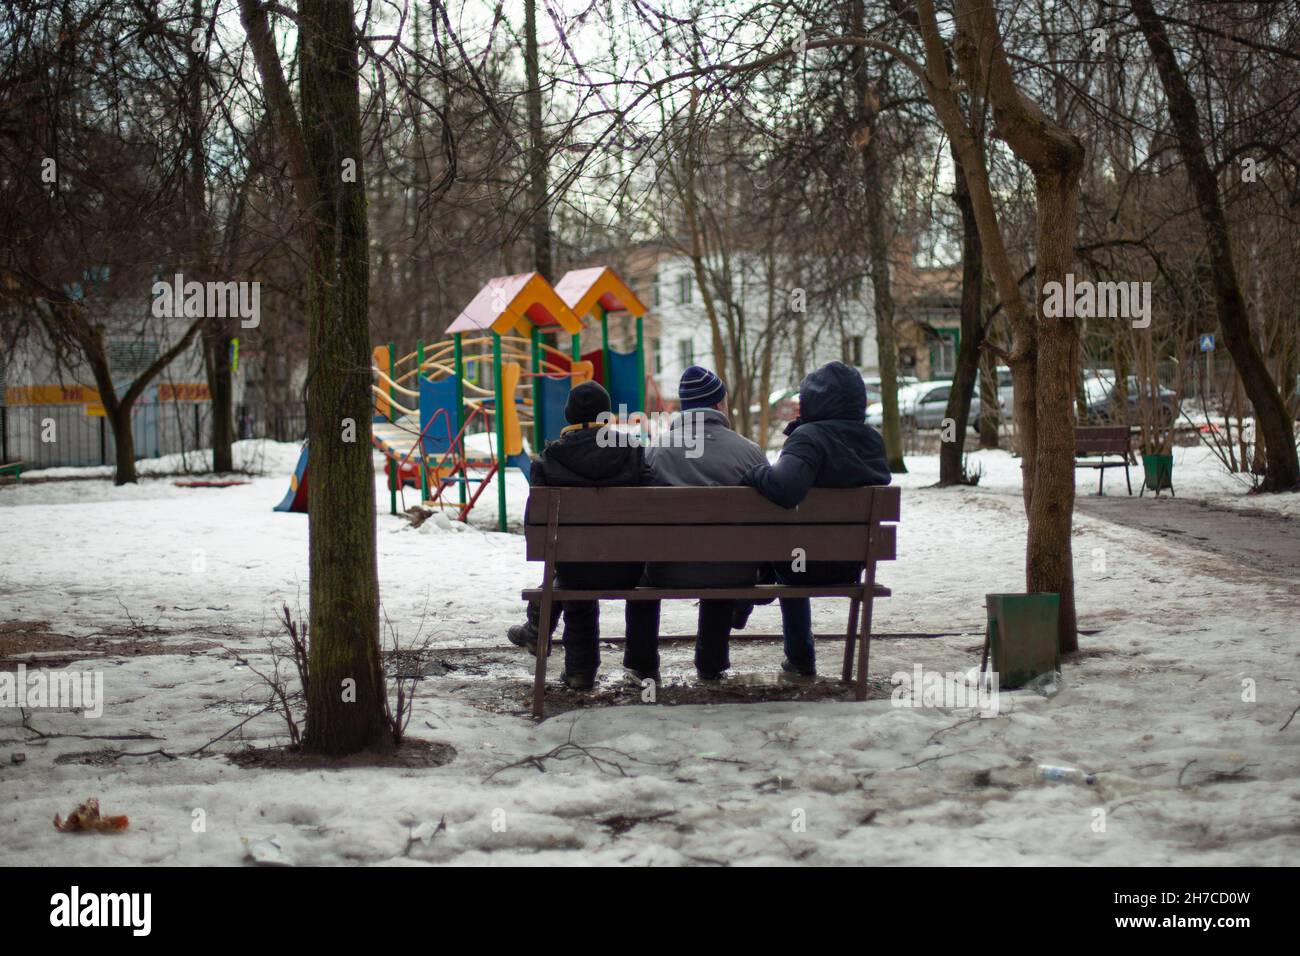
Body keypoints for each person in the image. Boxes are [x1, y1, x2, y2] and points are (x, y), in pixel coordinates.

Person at [740, 361, 891, 680]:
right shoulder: (871, 440)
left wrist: (756, 474)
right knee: (789, 551)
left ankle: (796, 654)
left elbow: (785, 488)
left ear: (812, 400)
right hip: (852, 561)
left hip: (804, 565)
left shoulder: (810, 437)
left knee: (783, 557)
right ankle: (747, 600)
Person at [623, 366, 768, 685]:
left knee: (641, 564)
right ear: (719, 405)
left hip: (667, 571)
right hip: (735, 572)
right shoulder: (749, 452)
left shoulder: (655, 450)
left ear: (685, 408)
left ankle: (642, 662)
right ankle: (712, 660)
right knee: (723, 553)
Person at [506, 381, 651, 690]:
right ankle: (641, 667)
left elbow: (535, 518)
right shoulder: (633, 452)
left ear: (570, 414)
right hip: (630, 567)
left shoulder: (550, 458)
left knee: (573, 567)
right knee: (587, 564)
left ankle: (579, 671)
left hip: (575, 567)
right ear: (607, 414)